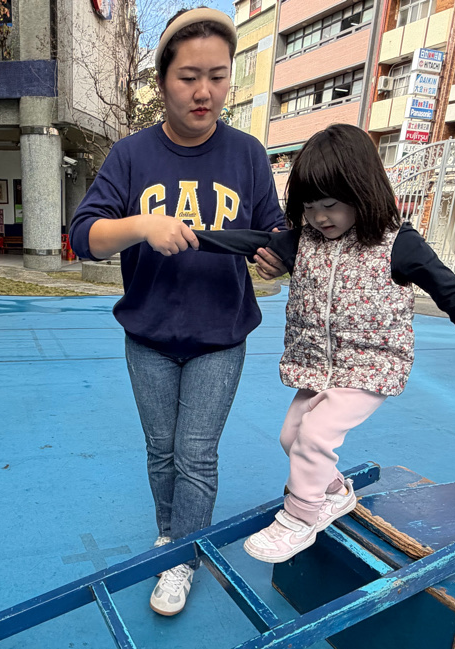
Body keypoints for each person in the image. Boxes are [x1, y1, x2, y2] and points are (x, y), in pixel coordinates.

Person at [192, 124, 455, 564]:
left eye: (330, 205)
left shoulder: (397, 245)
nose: (319, 217)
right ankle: (333, 492)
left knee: (314, 436)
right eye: (309, 207)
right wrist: (189, 237)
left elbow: (452, 292)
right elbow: (253, 242)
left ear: (362, 193)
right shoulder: (305, 241)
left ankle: (300, 517)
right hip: (320, 367)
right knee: (292, 437)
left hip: (370, 366)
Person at [68, 7, 285, 616]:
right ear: (163, 80)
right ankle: (171, 537)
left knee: (195, 453)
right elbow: (83, 235)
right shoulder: (131, 155)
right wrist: (142, 225)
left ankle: (182, 556)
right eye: (189, 77)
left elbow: (275, 229)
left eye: (217, 76)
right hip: (150, 335)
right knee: (161, 451)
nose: (204, 91)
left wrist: (276, 255)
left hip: (220, 335)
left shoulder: (247, 154)